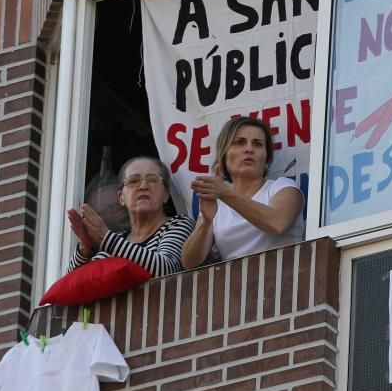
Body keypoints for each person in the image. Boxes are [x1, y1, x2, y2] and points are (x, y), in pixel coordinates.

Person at [181, 116, 305, 268]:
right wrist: (206, 222)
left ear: (266, 158)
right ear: (224, 155)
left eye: (258, 144)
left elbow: (277, 223)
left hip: (285, 283)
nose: (249, 149)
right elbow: (189, 262)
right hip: (236, 287)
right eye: (239, 142)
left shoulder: (282, 187)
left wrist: (225, 194)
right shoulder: (217, 203)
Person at [67, 156, 194, 277]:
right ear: (121, 197)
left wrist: (106, 237)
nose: (143, 186)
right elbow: (72, 285)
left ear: (166, 194)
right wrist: (84, 249)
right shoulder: (115, 239)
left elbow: (166, 268)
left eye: (153, 179)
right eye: (133, 181)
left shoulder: (179, 224)